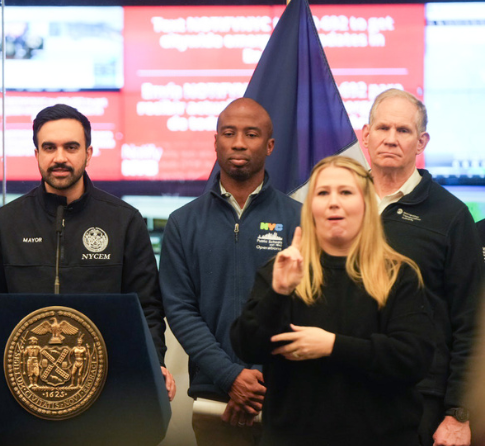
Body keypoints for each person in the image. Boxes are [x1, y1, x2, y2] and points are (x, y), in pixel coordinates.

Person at [0, 103, 175, 400]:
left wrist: (154, 364)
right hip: (21, 389)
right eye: (49, 147)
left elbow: (147, 308)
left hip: (111, 386)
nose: (60, 158)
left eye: (71, 147)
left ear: (88, 153)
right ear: (37, 154)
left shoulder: (124, 221)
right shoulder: (5, 223)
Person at [231, 155, 435, 445]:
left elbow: (413, 359)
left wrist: (332, 346)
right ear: (311, 206)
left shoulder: (398, 274)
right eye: (323, 193)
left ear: (366, 204)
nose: (333, 202)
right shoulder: (283, 269)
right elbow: (247, 347)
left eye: (346, 192)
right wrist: (278, 292)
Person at [160, 98, 301, 445]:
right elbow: (180, 310)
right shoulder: (183, 223)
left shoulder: (300, 219)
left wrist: (258, 379)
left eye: (251, 134)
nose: (238, 143)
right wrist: (230, 377)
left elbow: (306, 306)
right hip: (216, 400)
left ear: (269, 145)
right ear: (215, 141)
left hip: (286, 398)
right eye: (229, 133)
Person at [362, 89, 482, 446]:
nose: (391, 139)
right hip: (343, 390)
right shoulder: (338, 203)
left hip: (419, 400)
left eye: (403, 130)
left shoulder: (451, 216)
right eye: (383, 128)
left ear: (421, 142)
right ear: (366, 135)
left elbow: (472, 322)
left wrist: (458, 412)